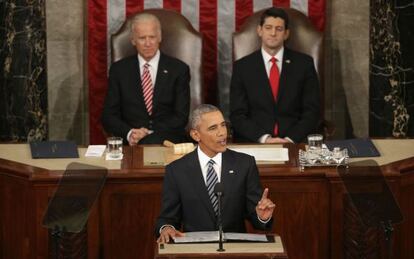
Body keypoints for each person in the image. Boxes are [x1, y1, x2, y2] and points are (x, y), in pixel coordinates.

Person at [156, 104, 275, 243]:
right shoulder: (177, 170)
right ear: (196, 135)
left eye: (223, 125)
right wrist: (166, 228)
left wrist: (262, 216)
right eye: (213, 128)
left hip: (235, 251)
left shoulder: (244, 164)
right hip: (195, 251)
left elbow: (256, 217)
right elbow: (168, 218)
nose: (222, 133)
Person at [230, 7, 321, 144]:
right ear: (259, 31)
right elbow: (237, 115)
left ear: (286, 34)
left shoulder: (304, 64)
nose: (273, 33)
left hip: (295, 142)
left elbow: (312, 111)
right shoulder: (242, 67)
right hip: (255, 142)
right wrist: (265, 139)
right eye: (268, 28)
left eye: (279, 29)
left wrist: (290, 139)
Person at [101, 13, 190, 145]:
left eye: (152, 37)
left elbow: (181, 116)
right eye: (142, 38)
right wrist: (130, 133)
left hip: (167, 139)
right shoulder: (119, 70)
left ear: (159, 37)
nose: (148, 43)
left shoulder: (179, 69)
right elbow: (109, 116)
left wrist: (148, 133)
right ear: (133, 40)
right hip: (131, 141)